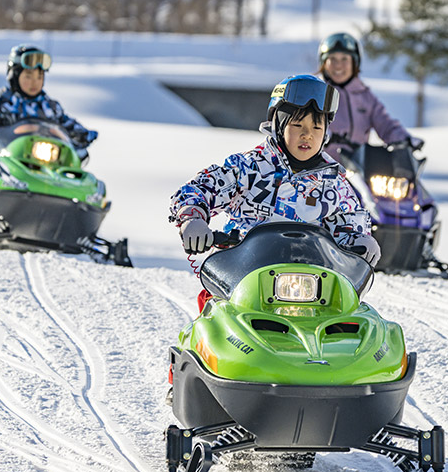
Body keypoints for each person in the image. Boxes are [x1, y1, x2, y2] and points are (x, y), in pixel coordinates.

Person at [168, 74, 381, 290]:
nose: (307, 135)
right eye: (297, 125)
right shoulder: (248, 168)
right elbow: (199, 189)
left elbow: (349, 222)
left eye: (316, 128)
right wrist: (192, 216)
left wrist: (360, 241)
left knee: (358, 317)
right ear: (278, 125)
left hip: (311, 287)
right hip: (242, 281)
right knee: (214, 319)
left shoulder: (333, 183)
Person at [0, 44, 98, 158]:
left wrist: (81, 133)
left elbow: (66, 123)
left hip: (46, 161)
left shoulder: (49, 107)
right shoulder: (4, 104)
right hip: (9, 160)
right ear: (14, 76)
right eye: (28, 76)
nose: (35, 82)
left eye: (39, 77)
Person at [317, 32, 423, 163]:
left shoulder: (365, 96)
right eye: (332, 59)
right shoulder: (316, 92)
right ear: (324, 63)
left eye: (344, 59)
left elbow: (386, 124)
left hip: (358, 170)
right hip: (322, 170)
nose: (338, 65)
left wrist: (404, 139)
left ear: (354, 62)